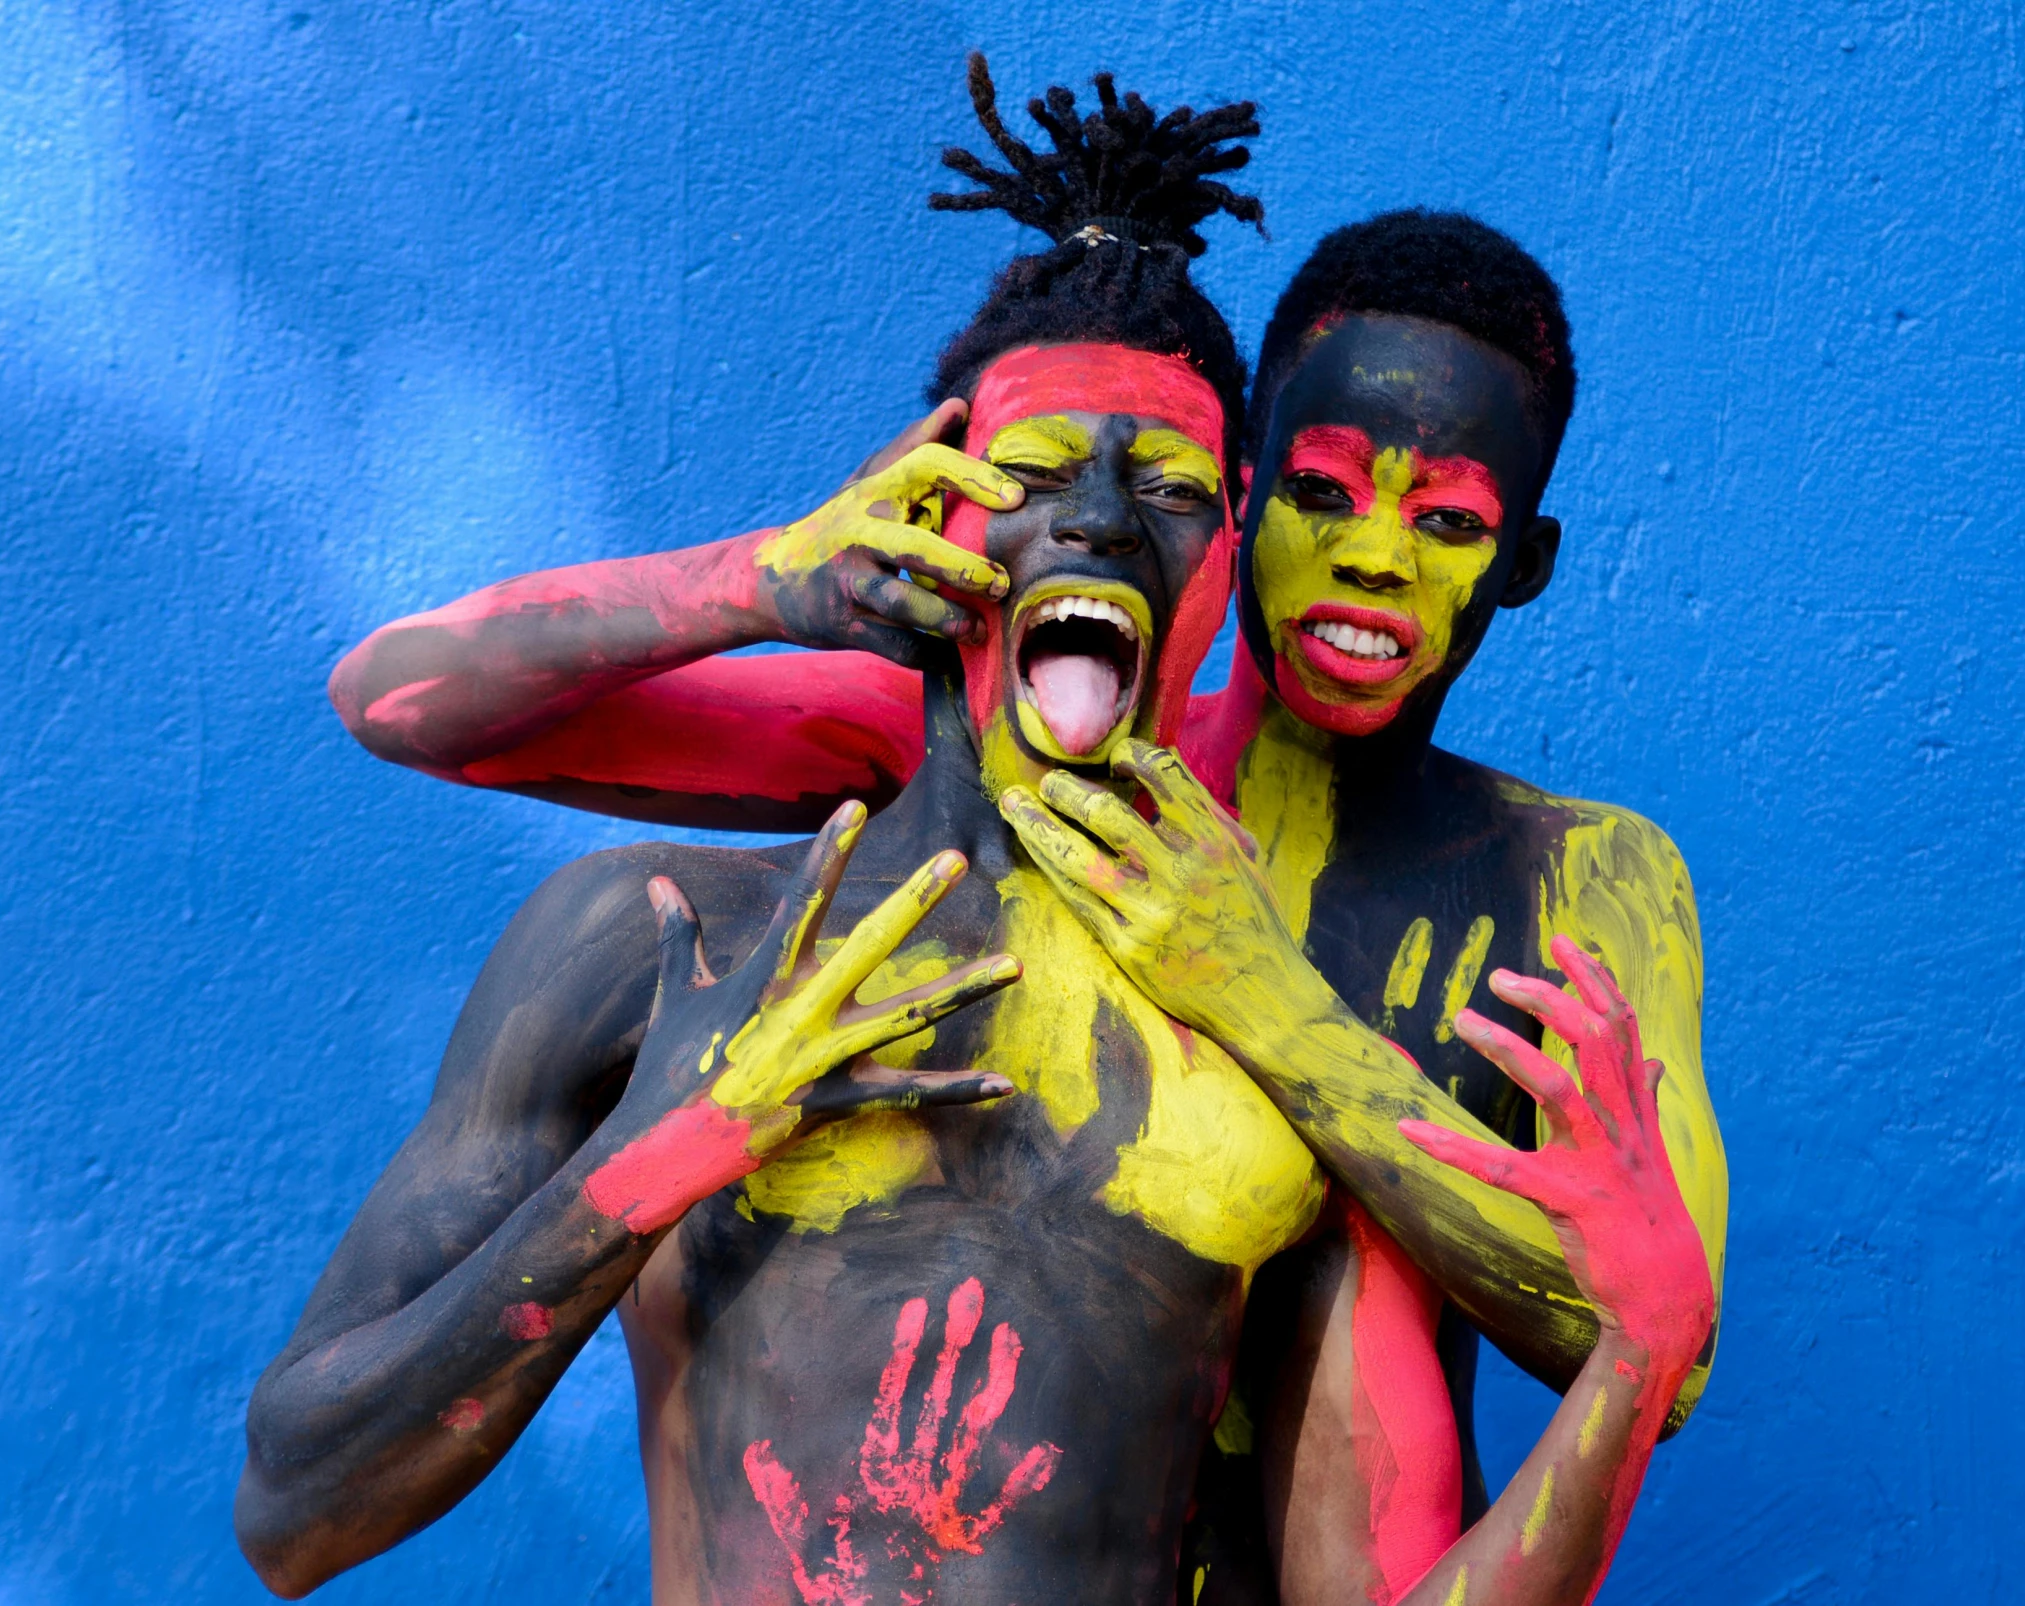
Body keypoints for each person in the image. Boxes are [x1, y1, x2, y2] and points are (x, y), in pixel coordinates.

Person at [327, 188, 1730, 1600]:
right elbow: (410, 701)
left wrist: (1281, 1013)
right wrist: (767, 578)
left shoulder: (1570, 875)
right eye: (1322, 490)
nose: (1374, 553)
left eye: (1448, 519)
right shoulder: (1004, 750)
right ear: (1260, 494)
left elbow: (1655, 1338)